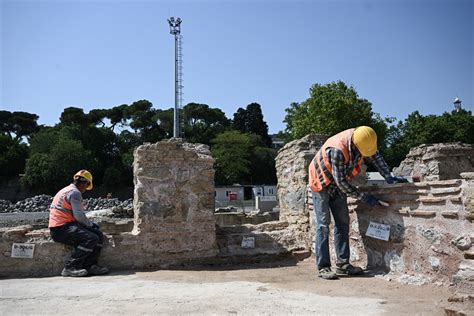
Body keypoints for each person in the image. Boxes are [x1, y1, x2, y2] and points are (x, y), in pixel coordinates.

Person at [308, 126, 407, 280]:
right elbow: (341, 182)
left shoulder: (364, 139)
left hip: (338, 182)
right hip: (321, 182)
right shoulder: (337, 150)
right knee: (323, 224)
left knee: (343, 223)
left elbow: (376, 157)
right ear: (355, 145)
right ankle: (323, 267)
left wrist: (388, 176)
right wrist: (364, 197)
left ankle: (343, 265)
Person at [49, 170, 109, 277]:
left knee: (98, 235)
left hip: (62, 226)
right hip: (61, 229)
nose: (85, 190)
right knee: (91, 238)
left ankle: (90, 266)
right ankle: (70, 267)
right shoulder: (75, 193)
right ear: (85, 183)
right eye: (86, 186)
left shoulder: (66, 190)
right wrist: (91, 224)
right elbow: (79, 216)